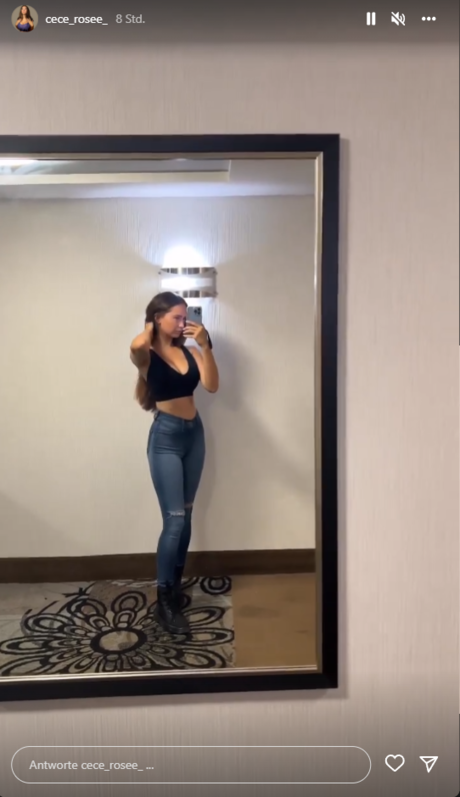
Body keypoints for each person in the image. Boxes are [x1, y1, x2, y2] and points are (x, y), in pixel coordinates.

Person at [130, 292, 219, 635]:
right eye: (177, 317)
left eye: (186, 317)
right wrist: (151, 327)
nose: (184, 323)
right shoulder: (146, 356)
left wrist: (206, 345)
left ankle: (175, 587)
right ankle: (164, 599)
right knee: (174, 520)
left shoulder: (191, 352)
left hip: (193, 435)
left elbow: (211, 386)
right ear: (158, 318)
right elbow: (137, 344)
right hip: (165, 439)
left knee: (187, 515)